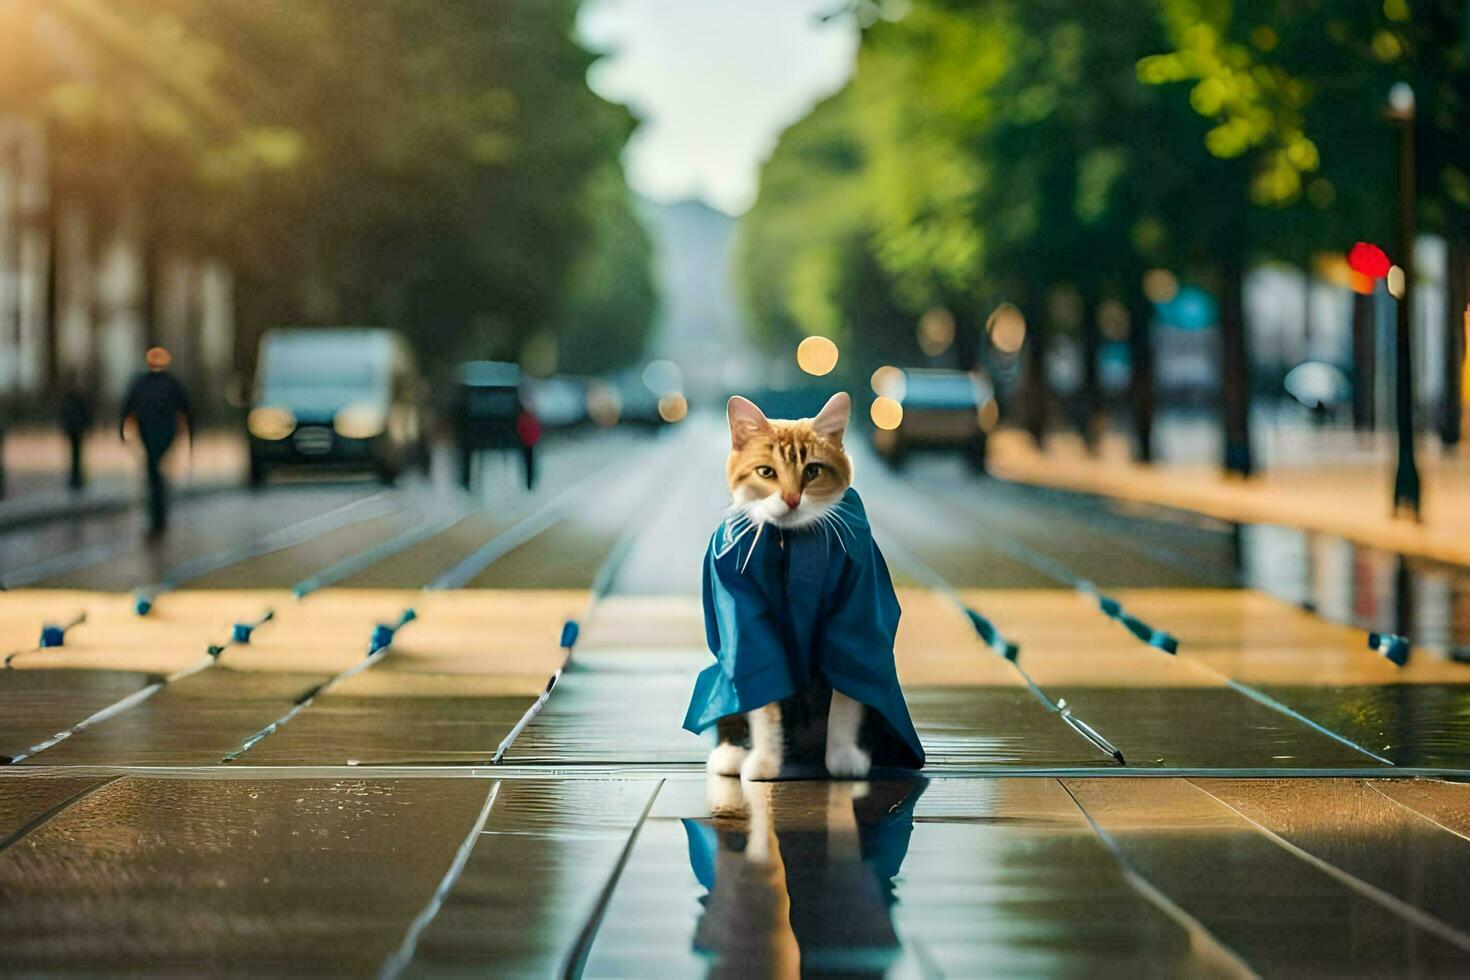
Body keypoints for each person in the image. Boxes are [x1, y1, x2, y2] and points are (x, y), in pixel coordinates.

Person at [120, 347, 192, 535]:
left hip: (161, 433)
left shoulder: (161, 383)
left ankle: (158, 516)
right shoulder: (156, 383)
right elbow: (128, 407)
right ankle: (158, 516)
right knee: (155, 472)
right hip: (152, 432)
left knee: (155, 472)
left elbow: (185, 408)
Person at [58, 374, 94, 492]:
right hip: (75, 428)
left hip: (75, 428)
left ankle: (76, 479)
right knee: (76, 455)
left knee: (76, 455)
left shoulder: (71, 398)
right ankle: (76, 479)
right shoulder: (74, 397)